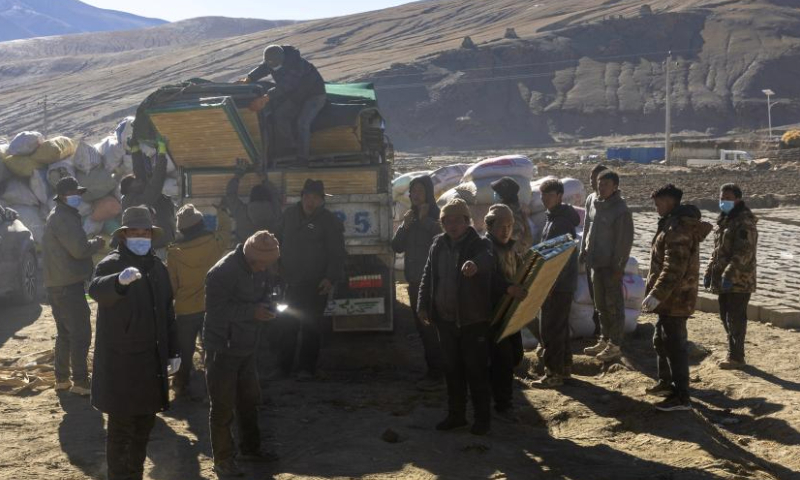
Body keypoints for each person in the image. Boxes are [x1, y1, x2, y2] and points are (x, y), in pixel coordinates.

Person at [88, 206, 179, 480]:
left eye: (145, 232)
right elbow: (95, 290)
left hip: (151, 363)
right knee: (121, 429)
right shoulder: (111, 264)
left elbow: (167, 312)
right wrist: (118, 282)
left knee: (144, 426)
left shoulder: (158, 268)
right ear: (124, 235)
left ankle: (135, 474)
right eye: (135, 232)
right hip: (122, 364)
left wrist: (173, 350)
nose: (141, 237)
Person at [204, 230, 281, 477]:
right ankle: (223, 460)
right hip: (222, 349)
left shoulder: (261, 266)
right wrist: (253, 312)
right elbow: (216, 312)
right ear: (250, 257)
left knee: (249, 401)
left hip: (247, 346)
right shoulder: (221, 272)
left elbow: (262, 294)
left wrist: (269, 305)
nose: (265, 269)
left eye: (269, 264)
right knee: (223, 407)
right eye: (263, 265)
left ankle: (250, 448)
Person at [418, 198, 496, 436]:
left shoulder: (478, 244)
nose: (452, 225)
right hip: (445, 319)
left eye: (457, 220)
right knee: (452, 370)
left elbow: (489, 260)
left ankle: (482, 419)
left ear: (466, 221)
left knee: (476, 371)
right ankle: (456, 415)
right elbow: (428, 275)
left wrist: (475, 265)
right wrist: (423, 305)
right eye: (447, 221)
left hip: (472, 320)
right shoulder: (438, 245)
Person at [642, 184, 712, 411]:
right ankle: (666, 384)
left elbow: (674, 267)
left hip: (676, 298)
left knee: (675, 346)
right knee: (661, 340)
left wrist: (656, 294)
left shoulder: (678, 229)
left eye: (659, 202)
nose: (656, 207)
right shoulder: (670, 223)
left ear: (671, 201)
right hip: (669, 299)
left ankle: (682, 397)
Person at [276, 179, 346, 380]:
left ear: (322, 200)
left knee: (311, 327)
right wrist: (274, 265)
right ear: (301, 197)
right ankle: (283, 368)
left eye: (315, 197)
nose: (310, 201)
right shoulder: (288, 215)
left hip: (316, 284)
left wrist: (330, 278)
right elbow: (276, 240)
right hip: (290, 281)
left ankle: (306, 368)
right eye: (307, 196)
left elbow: (337, 253)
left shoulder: (329, 221)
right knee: (286, 325)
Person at [42, 176, 105, 396]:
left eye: (78, 193)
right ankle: (80, 382)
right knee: (80, 333)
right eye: (74, 194)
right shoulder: (64, 218)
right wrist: (96, 243)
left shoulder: (59, 216)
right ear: (61, 196)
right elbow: (78, 249)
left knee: (65, 333)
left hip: (57, 284)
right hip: (68, 286)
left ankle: (62, 379)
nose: (77, 197)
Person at [166, 204, 231, 398]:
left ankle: (181, 382)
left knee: (184, 351)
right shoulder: (215, 242)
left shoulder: (174, 252)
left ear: (182, 230)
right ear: (201, 223)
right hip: (211, 307)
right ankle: (215, 386)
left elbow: (172, 284)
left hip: (185, 310)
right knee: (211, 349)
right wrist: (221, 210)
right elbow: (226, 229)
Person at [391, 175, 444, 391]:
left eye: (420, 191)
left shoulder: (438, 215)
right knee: (423, 329)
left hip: (433, 282)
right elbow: (397, 246)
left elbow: (442, 241)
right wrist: (405, 225)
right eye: (413, 191)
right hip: (414, 281)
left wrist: (424, 221)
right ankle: (434, 370)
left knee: (432, 328)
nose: (415, 194)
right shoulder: (410, 217)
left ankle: (438, 372)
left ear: (428, 193)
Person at [579, 170, 634, 362]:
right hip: (595, 262)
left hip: (611, 265)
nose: (601, 188)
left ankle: (615, 344)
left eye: (606, 185)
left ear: (615, 187)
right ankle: (604, 338)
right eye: (599, 184)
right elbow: (587, 225)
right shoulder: (592, 201)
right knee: (600, 304)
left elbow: (624, 241)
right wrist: (583, 251)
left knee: (614, 305)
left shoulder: (620, 210)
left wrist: (619, 267)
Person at [241, 44, 327, 164]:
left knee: (303, 123)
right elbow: (263, 69)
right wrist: (249, 78)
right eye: (270, 64)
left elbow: (286, 85)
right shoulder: (273, 60)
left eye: (275, 65)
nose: (273, 68)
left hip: (314, 95)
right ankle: (289, 149)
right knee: (280, 116)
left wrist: (265, 98)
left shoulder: (297, 65)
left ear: (282, 60)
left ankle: (303, 158)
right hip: (296, 96)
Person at [704, 184, 758, 370]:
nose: (723, 202)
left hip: (739, 279)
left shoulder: (744, 222)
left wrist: (729, 274)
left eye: (727, 198)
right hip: (724, 279)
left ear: (738, 200)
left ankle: (736, 357)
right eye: (721, 198)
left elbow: (744, 252)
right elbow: (718, 251)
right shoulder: (726, 221)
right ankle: (733, 352)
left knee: (735, 318)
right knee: (725, 316)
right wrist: (709, 270)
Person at [483, 204, 528, 422]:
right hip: (492, 315)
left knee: (516, 355)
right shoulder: (485, 248)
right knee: (503, 358)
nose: (506, 231)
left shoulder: (511, 249)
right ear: (490, 226)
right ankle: (503, 403)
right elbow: (487, 277)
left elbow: (520, 273)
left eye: (509, 226)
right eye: (501, 226)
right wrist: (507, 288)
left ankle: (497, 392)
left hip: (510, 313)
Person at [537, 179, 581, 387]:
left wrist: (551, 283)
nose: (545, 199)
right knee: (560, 326)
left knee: (552, 327)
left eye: (549, 195)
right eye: (543, 195)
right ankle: (564, 368)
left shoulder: (561, 222)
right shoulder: (553, 219)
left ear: (559, 196)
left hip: (558, 284)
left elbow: (560, 258)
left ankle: (553, 373)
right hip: (560, 283)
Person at [120, 139, 176, 255]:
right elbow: (157, 180)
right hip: (158, 248)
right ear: (130, 189)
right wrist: (161, 153)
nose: (140, 181)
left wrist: (135, 150)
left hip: (160, 243)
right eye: (135, 181)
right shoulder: (141, 201)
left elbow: (140, 173)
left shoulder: (135, 194)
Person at [224, 162, 282, 244]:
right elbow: (230, 195)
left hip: (247, 255)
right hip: (268, 255)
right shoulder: (275, 213)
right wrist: (264, 180)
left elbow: (230, 195)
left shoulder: (242, 213)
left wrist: (238, 176)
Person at [583, 164, 609, 337]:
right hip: (590, 254)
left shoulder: (612, 202)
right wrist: (582, 251)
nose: (592, 181)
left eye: (596, 177)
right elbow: (586, 224)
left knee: (606, 297)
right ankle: (598, 330)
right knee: (594, 296)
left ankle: (608, 334)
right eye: (591, 177)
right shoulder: (590, 198)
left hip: (605, 258)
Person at [490, 176, 533, 253]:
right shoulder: (516, 209)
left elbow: (513, 242)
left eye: (497, 192)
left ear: (504, 196)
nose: (494, 194)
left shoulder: (509, 214)